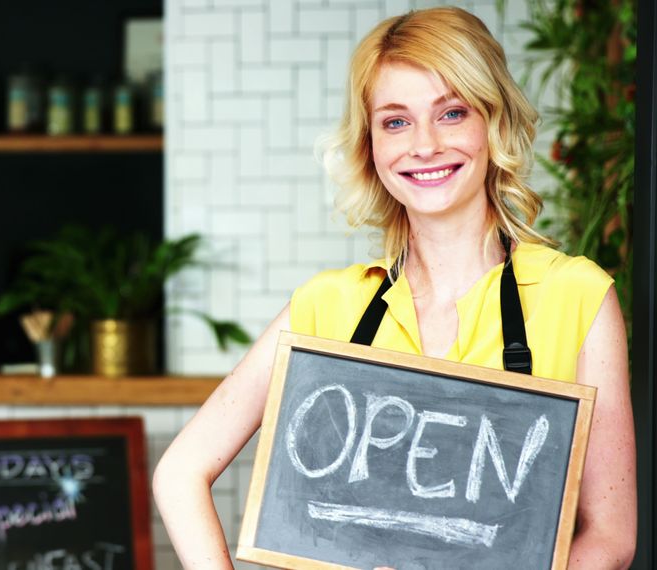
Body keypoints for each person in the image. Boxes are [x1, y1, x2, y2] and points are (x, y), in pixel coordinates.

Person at [152, 6, 637, 569]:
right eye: (396, 121)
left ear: (493, 124)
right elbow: (180, 472)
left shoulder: (576, 296)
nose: (424, 145)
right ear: (371, 145)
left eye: (452, 113)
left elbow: (610, 535)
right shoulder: (328, 306)